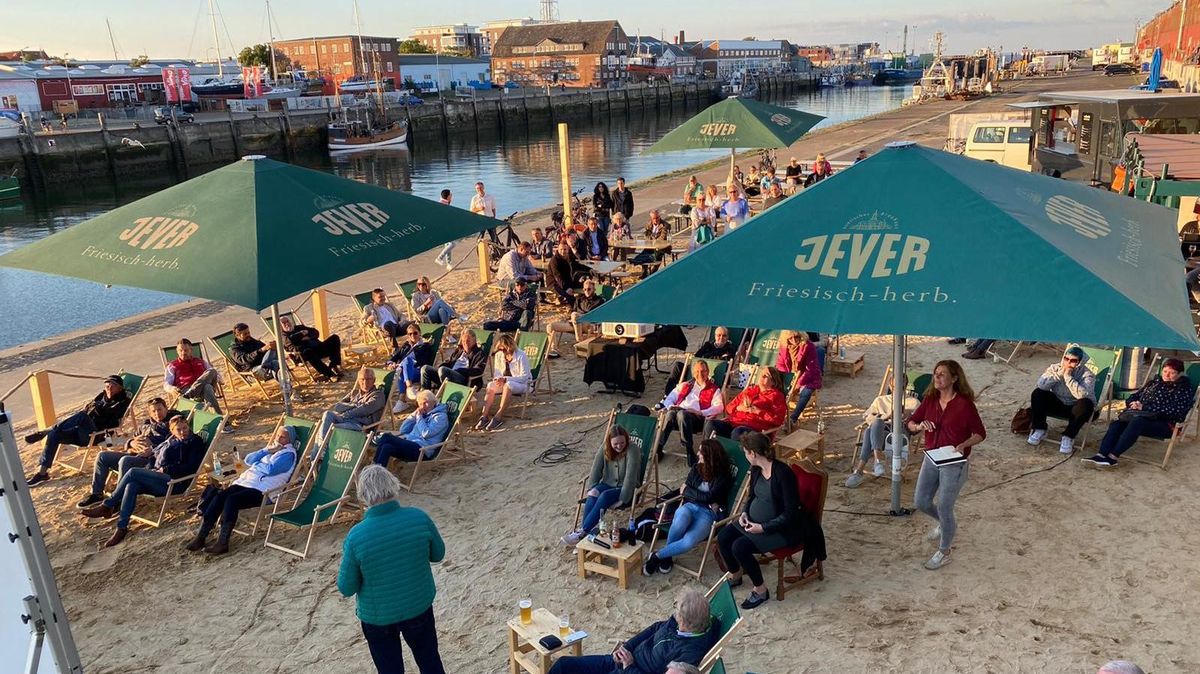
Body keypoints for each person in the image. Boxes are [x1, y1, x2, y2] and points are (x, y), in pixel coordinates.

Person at [337, 465, 447, 674]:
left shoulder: (356, 536)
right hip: (418, 604)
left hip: (378, 616)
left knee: (389, 669)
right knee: (430, 660)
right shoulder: (418, 517)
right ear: (393, 485)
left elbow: (346, 587)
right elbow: (438, 554)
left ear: (363, 496)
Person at [717, 432, 826, 609]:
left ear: (753, 453)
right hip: (753, 521)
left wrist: (763, 527)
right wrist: (744, 513)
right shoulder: (756, 470)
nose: (745, 456)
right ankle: (736, 574)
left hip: (781, 529)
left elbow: (790, 514)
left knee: (739, 547)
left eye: (746, 452)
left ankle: (760, 590)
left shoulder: (783, 474)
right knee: (723, 538)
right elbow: (752, 496)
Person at [906, 360, 986, 570]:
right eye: (935, 374)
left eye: (942, 374)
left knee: (944, 506)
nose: (937, 377)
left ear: (954, 378)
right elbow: (911, 423)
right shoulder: (930, 399)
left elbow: (980, 434)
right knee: (921, 502)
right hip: (932, 457)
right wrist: (919, 425)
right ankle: (944, 523)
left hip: (954, 462)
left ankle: (944, 551)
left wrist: (964, 445)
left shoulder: (964, 404)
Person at [81, 415, 206, 547]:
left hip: (175, 482)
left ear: (188, 427)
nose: (183, 432)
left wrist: (166, 469)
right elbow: (156, 456)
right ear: (173, 431)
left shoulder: (194, 442)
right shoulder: (172, 440)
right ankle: (121, 527)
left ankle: (108, 505)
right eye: (178, 430)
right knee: (132, 485)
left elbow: (191, 467)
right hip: (158, 478)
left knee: (133, 472)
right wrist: (151, 465)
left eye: (185, 428)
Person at [185, 424, 298, 554]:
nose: (278, 438)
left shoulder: (288, 454)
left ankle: (222, 542)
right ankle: (201, 536)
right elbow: (248, 460)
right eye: (277, 435)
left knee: (232, 500)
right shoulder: (271, 449)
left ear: (290, 440)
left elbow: (271, 470)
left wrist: (257, 464)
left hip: (265, 491)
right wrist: (265, 451)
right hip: (248, 482)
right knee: (220, 496)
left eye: (283, 437)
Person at [546, 589, 717, 674]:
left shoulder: (688, 653)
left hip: (629, 670)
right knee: (563, 665)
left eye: (677, 611)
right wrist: (627, 648)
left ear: (684, 621)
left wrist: (629, 667)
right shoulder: (690, 625)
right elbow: (656, 627)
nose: (675, 613)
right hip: (621, 662)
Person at [1083, 357, 1194, 469]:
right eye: (1165, 371)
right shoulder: (1154, 382)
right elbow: (1134, 396)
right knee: (1117, 423)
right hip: (1142, 416)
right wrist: (1134, 403)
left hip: (1166, 424)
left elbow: (1176, 411)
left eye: (1172, 373)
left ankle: (1112, 458)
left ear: (1180, 374)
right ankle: (1101, 455)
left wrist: (1145, 407)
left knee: (1138, 422)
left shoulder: (1183, 388)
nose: (1167, 375)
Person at [643, 438, 732, 575]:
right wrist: (696, 495)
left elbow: (707, 496)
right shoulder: (697, 468)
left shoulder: (723, 476)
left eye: (701, 452)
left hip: (708, 514)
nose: (697, 454)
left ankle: (658, 556)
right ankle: (667, 557)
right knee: (681, 519)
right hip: (690, 506)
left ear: (709, 456)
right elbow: (686, 493)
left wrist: (690, 492)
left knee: (689, 542)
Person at [25, 374, 132, 486]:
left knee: (82, 416)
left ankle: (47, 430)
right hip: (81, 432)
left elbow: (112, 423)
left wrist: (96, 410)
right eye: (107, 386)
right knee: (54, 434)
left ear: (120, 388)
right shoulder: (102, 396)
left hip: (97, 435)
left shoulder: (123, 401)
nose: (108, 388)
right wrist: (90, 407)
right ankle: (42, 473)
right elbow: (88, 408)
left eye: (112, 386)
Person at [76, 397, 183, 507]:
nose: (157, 413)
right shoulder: (146, 424)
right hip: (135, 453)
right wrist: (132, 443)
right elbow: (132, 439)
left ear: (166, 408)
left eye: (159, 409)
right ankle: (96, 494)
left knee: (125, 460)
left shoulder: (172, 425)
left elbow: (172, 444)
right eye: (153, 411)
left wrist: (152, 449)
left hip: (151, 460)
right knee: (102, 456)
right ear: (149, 413)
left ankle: (119, 499)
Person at [559, 424, 643, 545]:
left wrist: (623, 499)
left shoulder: (632, 449)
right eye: (615, 444)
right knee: (593, 493)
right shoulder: (605, 447)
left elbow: (630, 476)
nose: (619, 446)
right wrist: (592, 487)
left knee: (604, 495)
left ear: (626, 439)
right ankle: (584, 534)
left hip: (626, 487)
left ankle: (582, 532)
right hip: (608, 483)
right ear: (610, 442)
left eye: (622, 442)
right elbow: (595, 469)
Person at [845, 372, 919, 488]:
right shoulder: (880, 400)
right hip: (881, 433)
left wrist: (908, 416)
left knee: (869, 433)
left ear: (906, 386)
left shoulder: (913, 402)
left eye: (902, 387)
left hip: (899, 435)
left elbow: (917, 427)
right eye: (895, 387)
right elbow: (867, 417)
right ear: (890, 386)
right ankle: (877, 461)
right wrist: (887, 415)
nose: (898, 389)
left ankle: (860, 471)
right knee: (876, 424)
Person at [1027, 344, 1097, 454]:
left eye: (1073, 361)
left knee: (1086, 403)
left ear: (1079, 362)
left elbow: (1082, 394)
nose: (1068, 363)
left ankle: (1069, 436)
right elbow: (1041, 384)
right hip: (1058, 402)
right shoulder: (1054, 368)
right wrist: (1059, 374)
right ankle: (1040, 428)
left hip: (1077, 408)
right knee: (1038, 393)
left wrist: (1068, 377)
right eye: (1066, 359)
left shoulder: (1087, 375)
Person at [655, 359, 724, 465]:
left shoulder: (714, 389)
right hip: (678, 414)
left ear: (708, 371)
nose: (700, 374)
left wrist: (700, 412)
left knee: (682, 414)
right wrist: (671, 406)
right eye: (697, 371)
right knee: (670, 414)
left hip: (697, 419)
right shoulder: (685, 385)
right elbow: (669, 398)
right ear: (693, 373)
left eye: (703, 371)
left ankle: (689, 450)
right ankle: (659, 448)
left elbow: (719, 407)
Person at [703, 367, 787, 441]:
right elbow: (728, 409)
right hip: (734, 423)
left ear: (773, 381)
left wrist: (758, 411)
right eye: (761, 374)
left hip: (756, 430)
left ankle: (733, 457)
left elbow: (778, 420)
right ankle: (713, 454)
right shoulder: (750, 390)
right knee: (710, 425)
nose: (761, 377)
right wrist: (739, 408)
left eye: (766, 376)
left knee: (738, 433)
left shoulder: (777, 396)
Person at [371, 390, 450, 466]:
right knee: (386, 447)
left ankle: (374, 444)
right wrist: (415, 414)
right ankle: (376, 473)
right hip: (410, 443)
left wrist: (419, 417)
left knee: (386, 437)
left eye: (426, 403)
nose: (423, 406)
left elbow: (426, 433)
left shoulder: (440, 417)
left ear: (433, 402)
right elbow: (403, 429)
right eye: (421, 404)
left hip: (422, 450)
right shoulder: (424, 414)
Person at [475, 334, 531, 431]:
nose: (502, 352)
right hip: (505, 382)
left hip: (523, 384)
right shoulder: (499, 355)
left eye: (504, 350)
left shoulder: (521, 355)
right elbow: (497, 373)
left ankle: (498, 416)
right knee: (490, 385)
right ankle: (484, 416)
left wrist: (505, 379)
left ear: (510, 347)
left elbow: (524, 377)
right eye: (500, 350)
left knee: (508, 385)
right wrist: (498, 379)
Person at [316, 368, 385, 446]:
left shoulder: (378, 395)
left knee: (329, 429)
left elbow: (364, 410)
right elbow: (337, 406)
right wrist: (355, 405)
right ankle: (317, 454)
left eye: (368, 379)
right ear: (359, 381)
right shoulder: (354, 393)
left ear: (374, 380)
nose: (365, 382)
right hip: (344, 419)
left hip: (359, 425)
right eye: (362, 379)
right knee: (327, 414)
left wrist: (347, 412)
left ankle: (319, 452)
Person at [664, 327, 738, 394]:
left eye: (724, 335)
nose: (721, 338)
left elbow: (725, 360)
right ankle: (669, 393)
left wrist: (707, 356)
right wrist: (717, 357)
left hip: (714, 373)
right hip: (697, 370)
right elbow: (697, 356)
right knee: (677, 366)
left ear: (727, 337)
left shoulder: (730, 348)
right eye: (719, 335)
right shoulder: (708, 344)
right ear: (715, 336)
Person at [547, 278, 606, 358]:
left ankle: (579, 340)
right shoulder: (579, 299)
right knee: (550, 326)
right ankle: (554, 350)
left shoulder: (599, 301)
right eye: (585, 289)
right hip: (575, 324)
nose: (587, 291)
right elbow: (573, 311)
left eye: (589, 289)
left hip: (588, 324)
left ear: (594, 289)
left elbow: (600, 317)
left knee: (575, 315)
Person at [164, 338, 223, 414]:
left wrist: (219, 379)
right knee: (208, 388)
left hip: (191, 393)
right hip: (185, 389)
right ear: (177, 351)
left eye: (186, 350)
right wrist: (171, 388)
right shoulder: (172, 366)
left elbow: (216, 375)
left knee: (212, 371)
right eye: (180, 350)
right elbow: (166, 384)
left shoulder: (200, 361)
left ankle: (191, 392)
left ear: (191, 350)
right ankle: (220, 419)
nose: (183, 353)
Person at [777, 331, 822, 426]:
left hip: (807, 376)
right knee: (778, 391)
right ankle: (778, 416)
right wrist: (788, 379)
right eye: (790, 338)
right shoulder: (784, 347)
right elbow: (781, 365)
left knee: (806, 393)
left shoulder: (808, 346)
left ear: (801, 336)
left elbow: (811, 368)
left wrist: (798, 383)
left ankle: (793, 418)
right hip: (790, 376)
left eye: (796, 337)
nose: (794, 340)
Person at [279, 314, 343, 381]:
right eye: (283, 323)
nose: (287, 324)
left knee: (334, 338)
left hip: (319, 348)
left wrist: (309, 337)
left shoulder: (299, 327)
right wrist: (301, 335)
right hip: (305, 355)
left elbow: (316, 332)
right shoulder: (283, 336)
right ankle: (330, 374)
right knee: (308, 352)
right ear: (280, 326)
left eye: (287, 321)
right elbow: (292, 348)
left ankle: (333, 365)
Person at [421, 328, 487, 391]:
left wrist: (460, 371)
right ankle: (426, 395)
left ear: (474, 341)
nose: (466, 343)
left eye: (468, 341)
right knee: (425, 368)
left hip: (463, 379)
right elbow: (448, 362)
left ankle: (445, 392)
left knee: (443, 370)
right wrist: (439, 367)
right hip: (447, 376)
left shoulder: (479, 353)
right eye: (464, 341)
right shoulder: (459, 351)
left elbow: (479, 370)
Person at [387, 325, 436, 402]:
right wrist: (391, 363)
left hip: (418, 371)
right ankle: (403, 398)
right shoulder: (406, 346)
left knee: (406, 361)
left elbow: (424, 362)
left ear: (420, 333)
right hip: (404, 372)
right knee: (401, 369)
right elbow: (394, 357)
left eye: (415, 333)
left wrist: (400, 364)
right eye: (410, 334)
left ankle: (406, 392)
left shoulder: (425, 346)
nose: (412, 336)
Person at [546, 239, 586, 304]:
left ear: (568, 249)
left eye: (565, 249)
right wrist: (566, 288)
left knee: (585, 286)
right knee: (569, 296)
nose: (563, 251)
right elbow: (557, 276)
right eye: (561, 249)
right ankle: (574, 308)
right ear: (558, 249)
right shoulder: (554, 260)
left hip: (567, 281)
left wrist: (590, 269)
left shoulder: (569, 257)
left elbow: (578, 266)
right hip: (554, 283)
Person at [433, 188, 456, 269]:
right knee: (452, 244)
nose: (452, 196)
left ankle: (449, 264)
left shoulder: (445, 203)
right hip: (443, 228)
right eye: (451, 195)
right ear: (448, 196)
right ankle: (439, 258)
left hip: (446, 227)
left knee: (447, 245)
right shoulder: (442, 204)